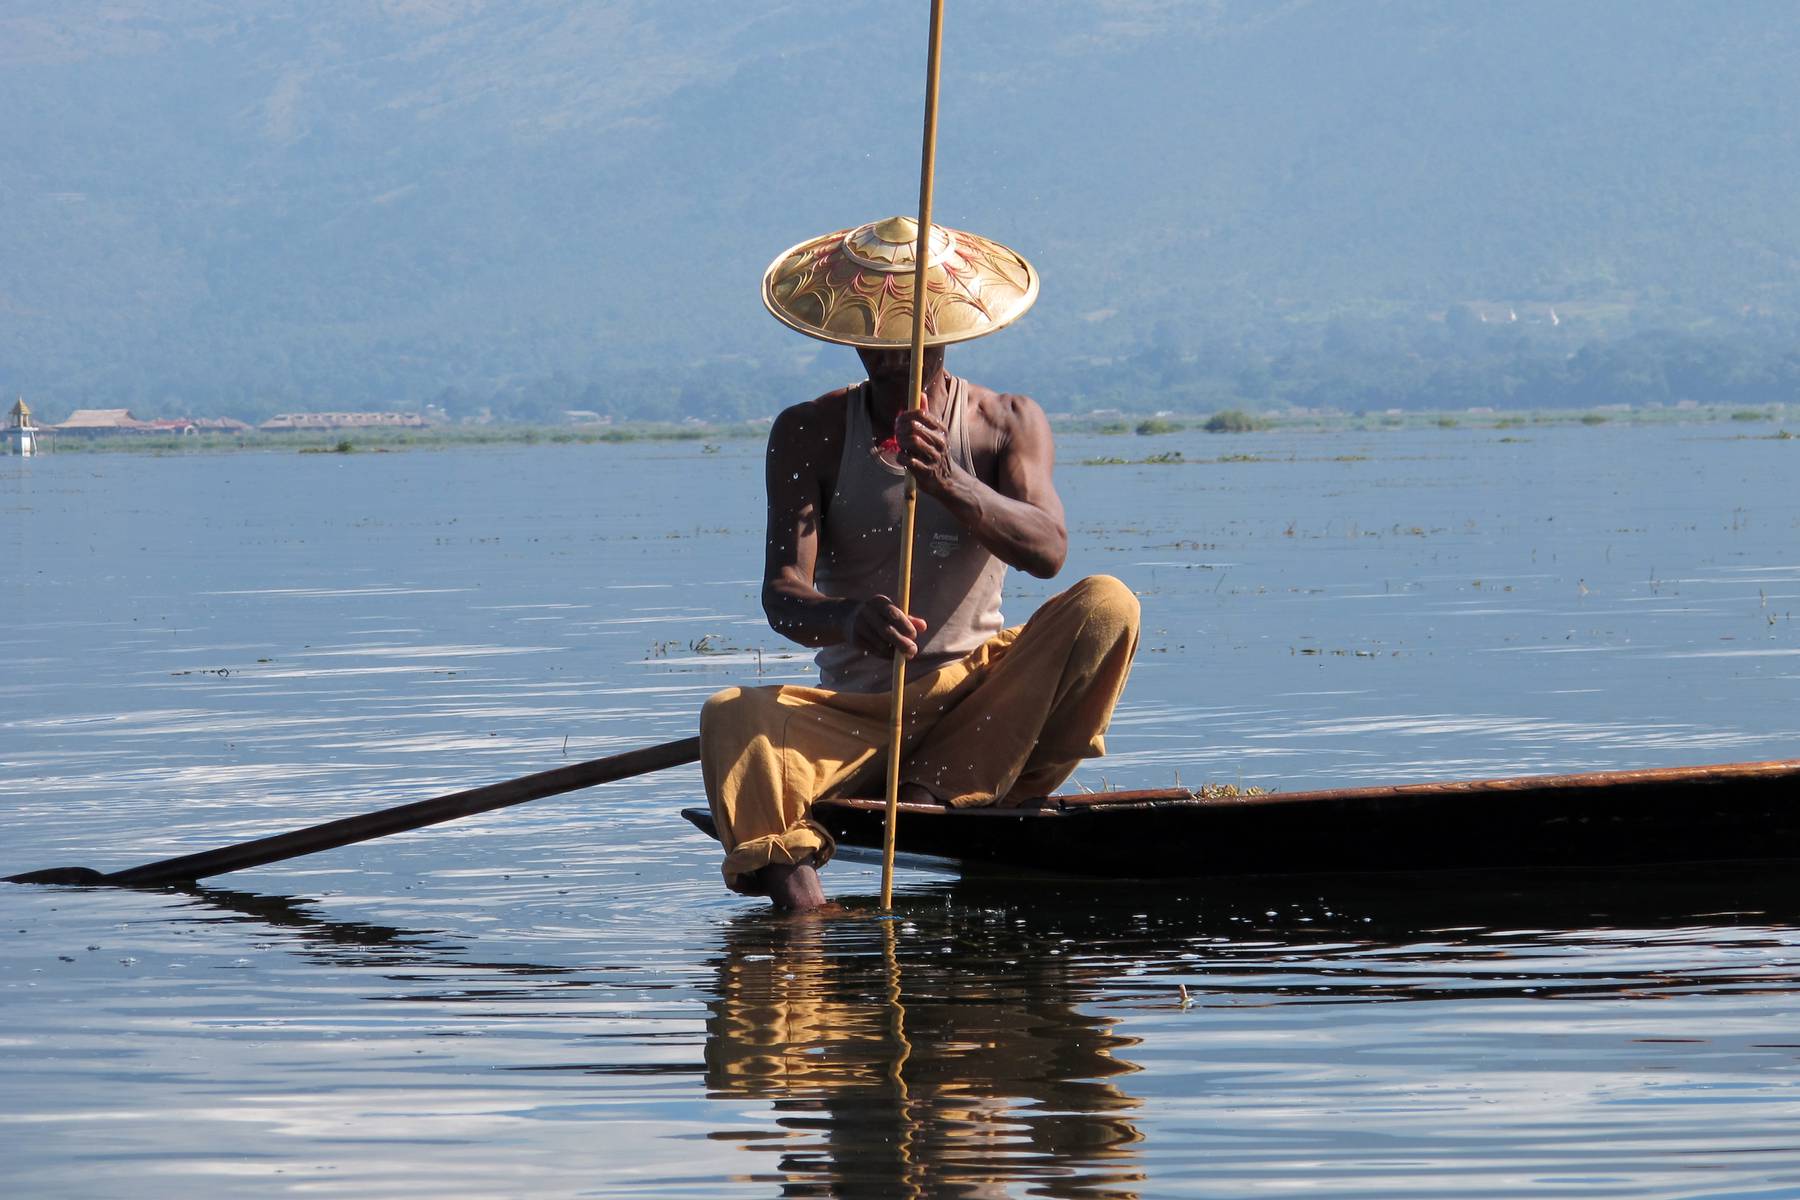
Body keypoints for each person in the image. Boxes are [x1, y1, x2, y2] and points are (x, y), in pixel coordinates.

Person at [702, 217, 1140, 911]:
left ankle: (941, 788)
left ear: (945, 328)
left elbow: (1049, 552)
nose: (889, 354)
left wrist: (951, 483)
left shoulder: (1006, 421)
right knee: (732, 714)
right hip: (858, 712)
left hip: (982, 702)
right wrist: (848, 620)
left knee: (1108, 604)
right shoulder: (808, 432)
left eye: (907, 335)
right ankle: (804, 908)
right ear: (849, 335)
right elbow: (783, 595)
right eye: (872, 338)